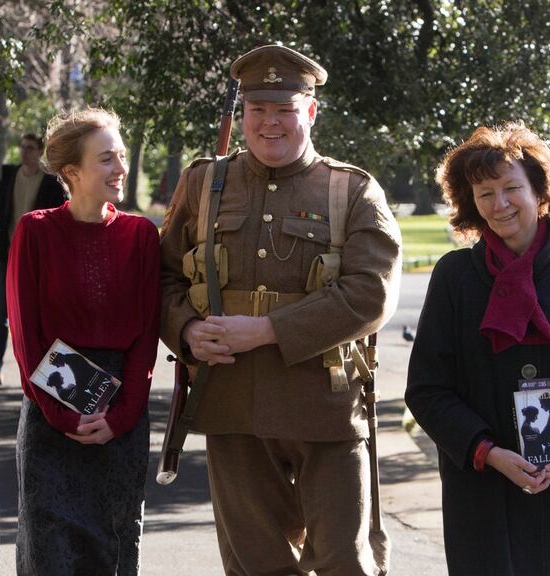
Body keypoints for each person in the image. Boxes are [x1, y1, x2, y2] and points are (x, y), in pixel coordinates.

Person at [160, 45, 402, 575]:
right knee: (256, 564)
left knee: (345, 560)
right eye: (257, 110)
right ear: (242, 115)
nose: (270, 123)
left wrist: (268, 330)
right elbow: (164, 277)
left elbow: (371, 293)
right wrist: (186, 329)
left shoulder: (352, 190)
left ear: (310, 113)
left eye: (285, 110)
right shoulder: (203, 184)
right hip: (231, 406)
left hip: (326, 407)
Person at [404, 122, 550, 575]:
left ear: (539, 190)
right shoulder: (454, 277)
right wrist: (488, 453)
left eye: (511, 188)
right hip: (485, 494)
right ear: (469, 203)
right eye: (484, 193)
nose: (499, 204)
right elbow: (428, 391)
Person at [6, 108, 160, 576]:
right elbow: (26, 337)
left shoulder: (141, 235)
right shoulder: (35, 230)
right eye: (106, 159)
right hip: (51, 424)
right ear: (71, 172)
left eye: (122, 156)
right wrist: (64, 416)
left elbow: (146, 338)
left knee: (112, 554)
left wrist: (119, 417)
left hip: (121, 421)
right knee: (49, 556)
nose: (120, 169)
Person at [0, 133, 67, 386]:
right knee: (1, 316)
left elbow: (61, 220)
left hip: (39, 261)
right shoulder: (10, 176)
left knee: (41, 316)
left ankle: (45, 372)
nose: (24, 152)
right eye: (22, 147)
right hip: (9, 255)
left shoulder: (52, 183)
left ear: (40, 151)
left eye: (30, 148)